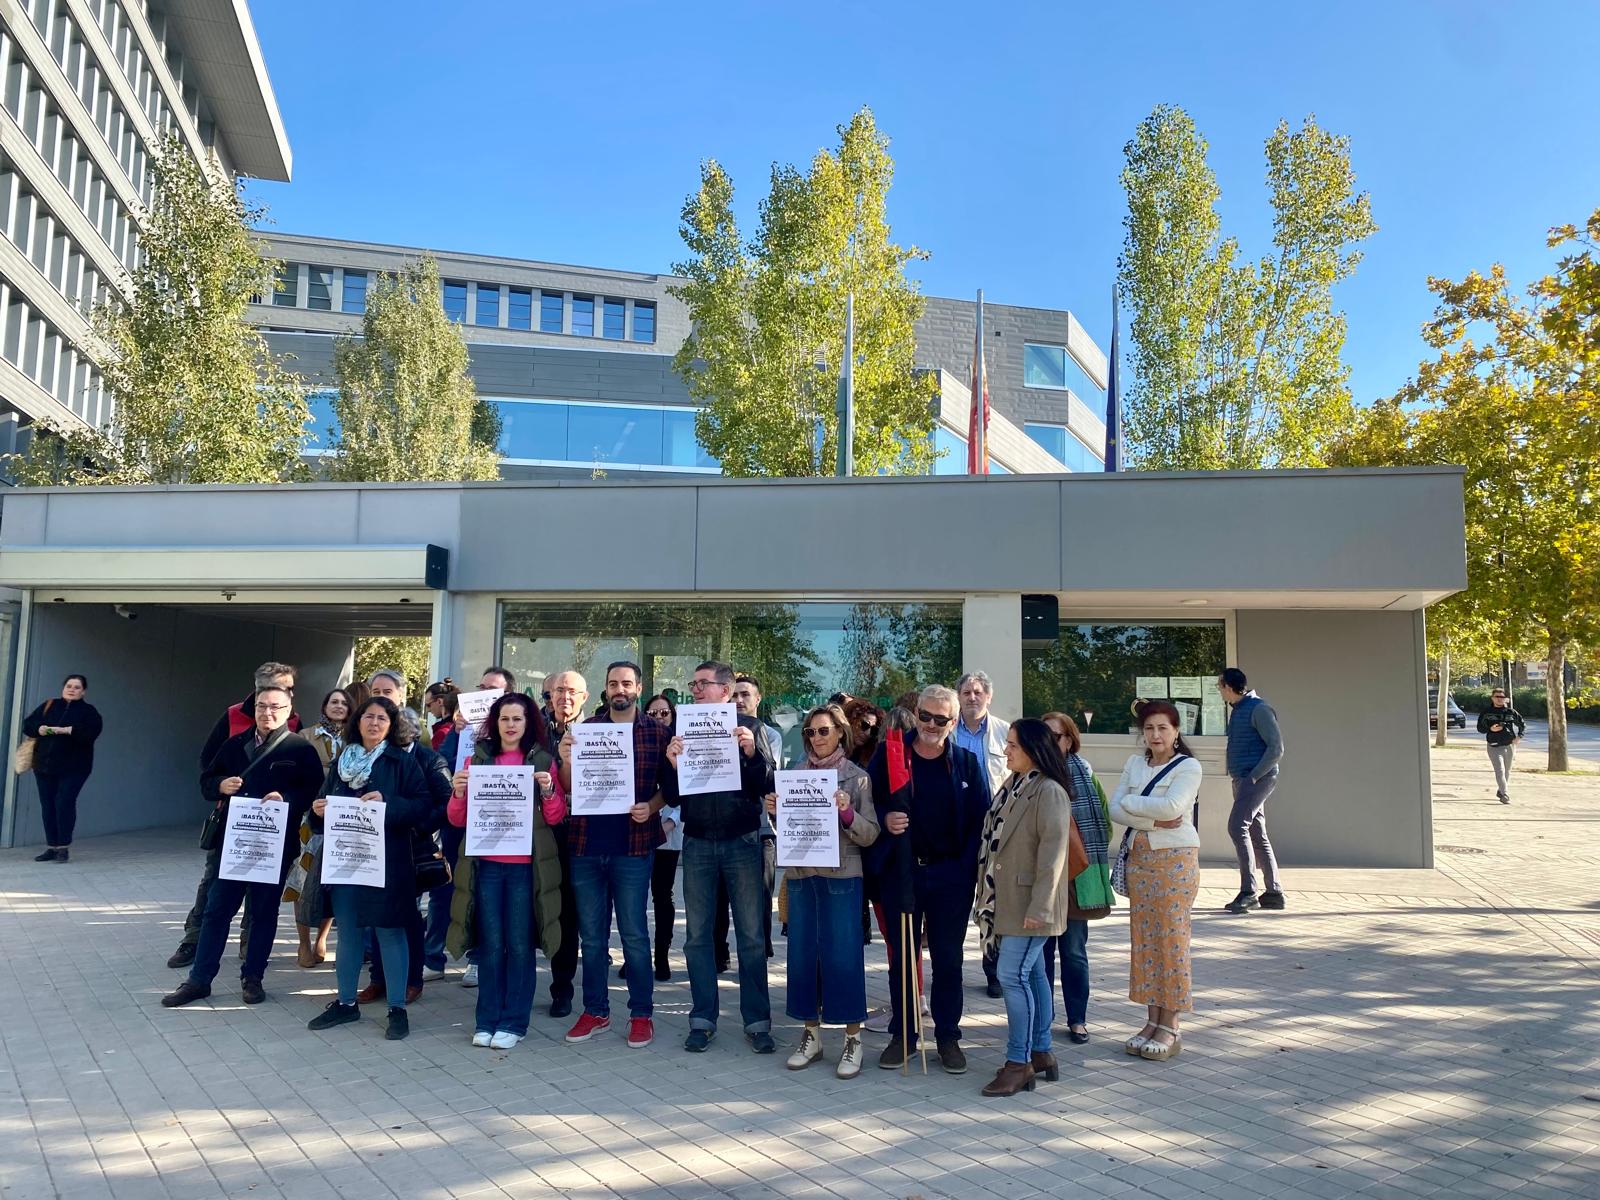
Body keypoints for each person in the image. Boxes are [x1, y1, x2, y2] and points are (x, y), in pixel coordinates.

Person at [161, 686, 324, 1008]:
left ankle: (253, 978)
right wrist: (219, 785)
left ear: (289, 710)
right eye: (262, 706)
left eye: (276, 707)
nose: (268, 713)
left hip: (274, 846)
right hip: (232, 845)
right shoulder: (234, 745)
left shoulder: (300, 750)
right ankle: (199, 979)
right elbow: (207, 781)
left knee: (263, 913)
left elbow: (312, 792)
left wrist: (287, 799)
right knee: (216, 911)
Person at [869, 684, 991, 1073]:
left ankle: (948, 1036)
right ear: (916, 712)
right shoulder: (890, 754)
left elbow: (980, 822)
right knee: (902, 959)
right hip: (901, 871)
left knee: (948, 960)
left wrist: (963, 871)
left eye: (942, 719)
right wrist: (887, 819)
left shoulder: (967, 762)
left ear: (954, 722)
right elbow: (868, 803)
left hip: (949, 875)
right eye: (926, 716)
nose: (932, 725)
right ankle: (903, 1034)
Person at [554, 661, 675, 1050]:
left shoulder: (658, 732)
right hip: (587, 846)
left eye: (626, 682)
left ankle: (641, 1014)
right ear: (605, 691)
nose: (619, 689)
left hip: (633, 847)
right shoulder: (586, 732)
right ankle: (595, 1010)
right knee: (591, 938)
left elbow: (671, 789)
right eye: (612, 683)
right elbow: (569, 788)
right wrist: (567, 760)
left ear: (639, 687)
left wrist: (651, 807)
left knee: (635, 935)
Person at [306, 695, 435, 1041]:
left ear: (391, 726)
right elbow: (320, 803)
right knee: (348, 931)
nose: (374, 723)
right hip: (345, 862)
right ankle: (346, 1004)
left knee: (389, 931)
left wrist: (388, 803)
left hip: (387, 865)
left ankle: (397, 1009)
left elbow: (423, 805)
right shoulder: (341, 761)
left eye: (382, 718)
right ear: (357, 721)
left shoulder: (401, 762)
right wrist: (317, 811)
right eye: (368, 717)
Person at [666, 660, 777, 1054]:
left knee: (749, 935)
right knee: (697, 937)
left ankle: (757, 1021)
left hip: (742, 842)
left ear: (726, 691)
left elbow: (768, 786)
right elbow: (674, 795)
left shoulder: (755, 728)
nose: (695, 690)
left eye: (703, 684)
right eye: (693, 685)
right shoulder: (680, 727)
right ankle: (702, 1018)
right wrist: (673, 765)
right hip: (697, 841)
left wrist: (749, 753)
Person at [446, 693, 564, 1048]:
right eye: (504, 719)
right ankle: (486, 1020)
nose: (511, 725)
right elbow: (456, 819)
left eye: (518, 719)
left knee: (519, 946)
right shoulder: (477, 759)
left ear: (529, 724)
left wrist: (548, 790)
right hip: (487, 867)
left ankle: (514, 1023)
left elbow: (557, 816)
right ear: (494, 723)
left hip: (525, 870)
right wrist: (457, 793)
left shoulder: (543, 760)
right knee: (491, 946)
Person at [767, 703, 879, 1079]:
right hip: (801, 875)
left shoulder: (857, 778)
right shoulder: (794, 775)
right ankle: (810, 1035)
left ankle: (852, 1039)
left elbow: (870, 833)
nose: (816, 738)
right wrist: (774, 810)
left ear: (840, 734)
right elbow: (789, 826)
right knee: (802, 955)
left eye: (824, 731)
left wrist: (847, 813)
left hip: (842, 876)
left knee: (843, 955)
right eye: (810, 732)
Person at [168, 662, 299, 969]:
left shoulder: (291, 719)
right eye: (282, 686)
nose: (287, 693)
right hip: (232, 820)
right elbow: (207, 763)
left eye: (290, 688)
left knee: (262, 888)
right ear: (259, 689)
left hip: (271, 825)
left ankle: (249, 946)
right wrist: (222, 785)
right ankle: (193, 940)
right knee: (213, 882)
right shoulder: (232, 715)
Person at [974, 719, 1076, 1096]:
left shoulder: (1049, 791)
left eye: (1014, 745)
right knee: (1031, 976)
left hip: (1030, 904)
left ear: (1034, 748)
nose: (1007, 750)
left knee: (1012, 976)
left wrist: (1042, 906)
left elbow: (1053, 857)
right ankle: (1042, 1050)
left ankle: (1019, 1062)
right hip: (1009, 901)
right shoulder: (1015, 784)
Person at [1109, 699, 1203, 1062]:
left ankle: (1172, 1025)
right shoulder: (1135, 763)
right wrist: (1145, 818)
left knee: (1172, 940)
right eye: (1149, 728)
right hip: (1140, 860)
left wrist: (1134, 804)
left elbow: (1173, 809)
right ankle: (1151, 1020)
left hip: (1174, 862)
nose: (1156, 734)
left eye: (1163, 727)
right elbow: (1116, 809)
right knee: (1146, 941)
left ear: (1177, 731)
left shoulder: (1188, 766)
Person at [361, 669, 452, 1002]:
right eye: (375, 690)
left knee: (407, 915)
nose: (381, 695)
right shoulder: (366, 750)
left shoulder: (429, 758)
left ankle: (412, 977)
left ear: (401, 697)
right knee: (375, 914)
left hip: (411, 849)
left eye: (388, 690)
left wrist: (416, 826)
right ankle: (378, 979)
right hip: (372, 848)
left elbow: (444, 804)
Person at [432, 665, 519, 990]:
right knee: (446, 887)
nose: (484, 694)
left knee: (485, 891)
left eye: (492, 690)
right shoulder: (461, 725)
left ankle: (479, 959)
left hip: (495, 821)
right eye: (481, 687)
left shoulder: (514, 727)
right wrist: (456, 732)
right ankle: (433, 957)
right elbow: (440, 764)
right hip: (459, 817)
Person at [1038, 712, 1113, 1045]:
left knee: (1073, 952)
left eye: (1054, 736)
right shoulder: (1031, 774)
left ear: (1069, 740)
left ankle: (1077, 1018)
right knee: (1040, 954)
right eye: (1044, 736)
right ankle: (1042, 1017)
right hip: (1042, 878)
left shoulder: (1085, 773)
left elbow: (1105, 824)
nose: (1049, 743)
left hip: (1077, 877)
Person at [286, 688, 350, 966]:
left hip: (342, 819)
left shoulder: (355, 739)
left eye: (344, 703)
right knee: (302, 877)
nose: (338, 706)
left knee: (330, 880)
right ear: (324, 706)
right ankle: (303, 943)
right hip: (308, 818)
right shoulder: (305, 736)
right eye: (334, 701)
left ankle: (322, 938)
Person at [719, 673, 780, 968]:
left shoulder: (770, 734)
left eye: (746, 695)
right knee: (722, 899)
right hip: (728, 826)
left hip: (763, 829)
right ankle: (721, 953)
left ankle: (761, 954)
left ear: (758, 699)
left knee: (759, 899)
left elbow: (768, 779)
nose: (740, 700)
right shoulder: (718, 730)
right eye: (735, 695)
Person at [536, 668, 588, 1016]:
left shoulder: (599, 731)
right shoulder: (532, 732)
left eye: (571, 692)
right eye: (557, 691)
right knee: (534, 908)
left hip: (579, 834)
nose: (563, 697)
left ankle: (562, 988)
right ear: (548, 695)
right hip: (535, 835)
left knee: (568, 913)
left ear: (584, 697)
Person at [1217, 668, 1286, 914]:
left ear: (1228, 686)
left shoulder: (1259, 708)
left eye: (1219, 685)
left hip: (1256, 779)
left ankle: (1248, 892)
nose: (1218, 690)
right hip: (1245, 779)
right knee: (1257, 832)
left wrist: (1253, 777)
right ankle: (1274, 893)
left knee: (1237, 826)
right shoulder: (1238, 710)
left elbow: (1276, 749)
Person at [22, 674, 103, 863]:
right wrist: (40, 728)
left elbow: (91, 733)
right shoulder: (49, 705)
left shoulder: (88, 712)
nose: (72, 689)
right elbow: (28, 725)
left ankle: (63, 847)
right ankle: (51, 846)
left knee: (64, 802)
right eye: (69, 686)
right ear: (63, 687)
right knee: (48, 805)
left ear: (83, 691)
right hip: (44, 766)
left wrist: (69, 730)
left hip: (74, 768)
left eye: (76, 687)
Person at [643, 693, 682, 979]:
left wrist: (667, 824)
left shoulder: (681, 745)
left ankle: (662, 955)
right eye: (653, 714)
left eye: (664, 714)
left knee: (662, 895)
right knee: (634, 898)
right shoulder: (640, 744)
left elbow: (684, 791)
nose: (659, 719)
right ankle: (637, 955)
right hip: (639, 832)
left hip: (668, 834)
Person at [1478, 686, 1525, 805]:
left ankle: (1501, 790)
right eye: (1497, 697)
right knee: (1500, 770)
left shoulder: (1511, 712)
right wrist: (1491, 728)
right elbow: (1480, 728)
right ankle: (1504, 794)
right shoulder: (1487, 712)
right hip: (1493, 745)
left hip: (1509, 745)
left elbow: (1522, 724)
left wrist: (1519, 737)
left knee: (1507, 771)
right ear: (1492, 698)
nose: (1499, 699)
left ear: (1505, 699)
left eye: (1502, 697)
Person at [425, 680, 459, 750]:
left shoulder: (443, 733)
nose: (428, 710)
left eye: (428, 705)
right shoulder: (462, 727)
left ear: (440, 701)